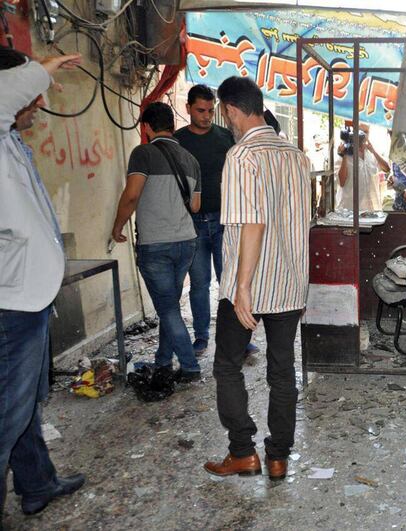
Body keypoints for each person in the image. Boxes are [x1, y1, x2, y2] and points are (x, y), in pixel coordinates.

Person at [203, 77, 311, 481]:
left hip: (246, 286)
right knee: (282, 371)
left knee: (228, 365)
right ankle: (279, 457)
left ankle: (243, 452)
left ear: (230, 110)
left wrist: (243, 287)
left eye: (222, 113)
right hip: (289, 283)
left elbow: (252, 223)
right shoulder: (296, 155)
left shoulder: (241, 156)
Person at [0, 47, 85, 521]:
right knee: (7, 413)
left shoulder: (11, 142)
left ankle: (37, 484)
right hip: (10, 302)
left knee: (25, 404)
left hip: (27, 297)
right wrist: (43, 69)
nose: (36, 104)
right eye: (29, 95)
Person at [111, 102, 203, 382]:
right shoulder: (191, 159)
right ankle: (163, 360)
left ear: (147, 127)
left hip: (156, 245)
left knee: (167, 308)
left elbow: (131, 195)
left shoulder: (143, 153)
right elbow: (196, 206)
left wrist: (116, 227)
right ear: (172, 126)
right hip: (186, 242)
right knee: (169, 306)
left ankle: (189, 367)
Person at [175, 85, 259, 358]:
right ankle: (201, 338)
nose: (207, 116)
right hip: (194, 224)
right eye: (201, 110)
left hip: (226, 222)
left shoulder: (226, 137)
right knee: (199, 284)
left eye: (211, 110)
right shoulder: (178, 143)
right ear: (188, 108)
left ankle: (240, 339)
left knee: (233, 281)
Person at [335, 124, 383, 211]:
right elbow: (341, 182)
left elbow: (386, 169)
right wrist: (344, 155)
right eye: (361, 131)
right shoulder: (343, 154)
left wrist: (374, 151)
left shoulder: (370, 154)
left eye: (366, 132)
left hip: (370, 210)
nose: (364, 135)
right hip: (349, 211)